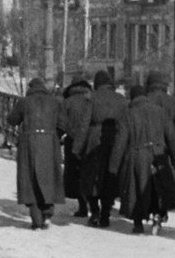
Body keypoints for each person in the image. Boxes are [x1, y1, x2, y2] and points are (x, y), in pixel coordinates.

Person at [110, 85, 175, 234]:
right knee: (157, 187)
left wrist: (114, 166)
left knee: (136, 188)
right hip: (158, 154)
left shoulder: (128, 115)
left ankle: (138, 223)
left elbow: (120, 142)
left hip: (137, 155)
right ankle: (157, 216)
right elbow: (172, 137)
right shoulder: (160, 112)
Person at [7, 77, 66, 230]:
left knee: (30, 179)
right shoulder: (54, 102)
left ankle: (36, 220)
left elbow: (11, 120)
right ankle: (47, 214)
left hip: (29, 142)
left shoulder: (24, 101)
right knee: (48, 177)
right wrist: (54, 136)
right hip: (49, 141)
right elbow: (63, 124)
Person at [75, 70, 128, 226]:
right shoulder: (122, 100)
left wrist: (77, 148)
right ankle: (105, 213)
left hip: (94, 141)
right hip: (116, 141)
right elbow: (127, 124)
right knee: (110, 177)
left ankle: (95, 211)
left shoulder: (91, 99)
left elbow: (84, 125)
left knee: (92, 177)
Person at [61, 74, 94, 216]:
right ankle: (93, 203)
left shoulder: (67, 102)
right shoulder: (91, 100)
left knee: (75, 174)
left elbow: (62, 123)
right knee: (90, 172)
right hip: (91, 142)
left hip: (72, 141)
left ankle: (82, 206)